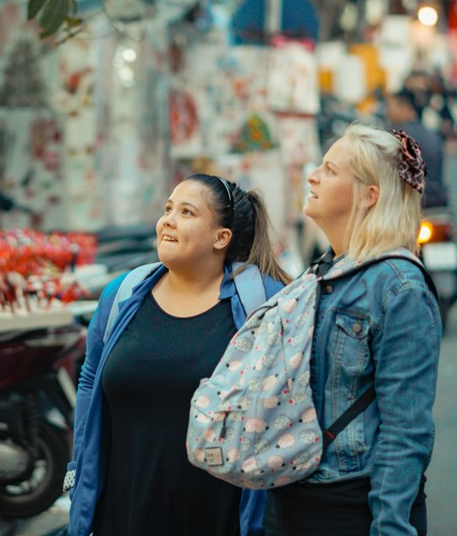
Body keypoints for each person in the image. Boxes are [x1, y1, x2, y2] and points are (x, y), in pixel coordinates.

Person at [66, 174, 291, 536]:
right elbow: (91, 378)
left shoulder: (263, 301)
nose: (168, 220)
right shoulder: (122, 295)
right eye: (168, 208)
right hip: (124, 514)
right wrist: (81, 471)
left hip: (220, 517)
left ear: (222, 238)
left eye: (187, 212)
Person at [262, 124, 442, 535]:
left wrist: (390, 525)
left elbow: (406, 429)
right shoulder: (324, 270)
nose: (313, 176)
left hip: (353, 508)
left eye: (329, 169)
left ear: (369, 194)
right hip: (291, 502)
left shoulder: (400, 288)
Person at [386, 90, 457, 326]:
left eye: (392, 105)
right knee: (454, 248)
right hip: (440, 204)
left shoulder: (397, 136)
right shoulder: (432, 135)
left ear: (405, 107)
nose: (388, 110)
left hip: (414, 206)